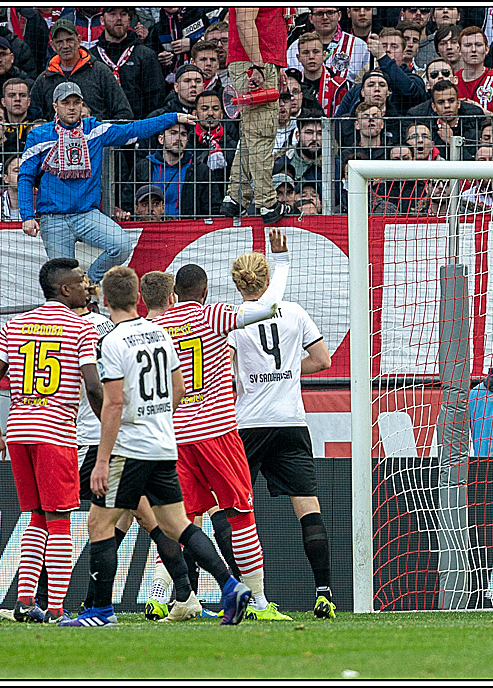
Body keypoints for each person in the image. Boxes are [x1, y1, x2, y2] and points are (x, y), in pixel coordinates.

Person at [57, 265, 251, 627]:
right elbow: (179, 388)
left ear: (107, 300)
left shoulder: (111, 341)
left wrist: (102, 461)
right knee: (177, 524)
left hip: (129, 449)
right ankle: (230, 586)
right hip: (163, 444)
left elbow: (113, 403)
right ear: (137, 297)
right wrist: (158, 419)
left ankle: (99, 611)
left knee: (99, 525)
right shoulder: (160, 334)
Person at [148, 230, 293, 622]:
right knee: (241, 512)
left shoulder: (158, 327)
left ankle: (178, 597)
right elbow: (268, 307)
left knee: (182, 521)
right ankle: (260, 603)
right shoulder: (212, 315)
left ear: (174, 292)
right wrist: (280, 263)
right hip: (217, 431)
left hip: (176, 437)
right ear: (206, 290)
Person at [0, 258, 104, 624]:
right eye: (81, 281)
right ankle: (55, 610)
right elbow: (94, 386)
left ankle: (24, 603)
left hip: (18, 431)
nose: (87, 286)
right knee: (61, 519)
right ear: (64, 289)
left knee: (35, 517)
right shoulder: (80, 328)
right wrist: (113, 428)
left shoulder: (15, 325)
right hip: (56, 433)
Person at [227, 245, 338, 618]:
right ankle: (323, 592)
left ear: (237, 283)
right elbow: (323, 360)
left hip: (248, 424)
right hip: (290, 420)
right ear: (268, 278)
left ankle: (247, 594)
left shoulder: (232, 319)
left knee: (235, 509)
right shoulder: (293, 312)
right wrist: (287, 369)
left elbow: (225, 372)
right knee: (308, 507)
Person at [18, 81, 196, 284]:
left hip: (87, 214)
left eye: (76, 102)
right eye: (66, 102)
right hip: (53, 218)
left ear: (82, 105)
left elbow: (132, 129)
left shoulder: (96, 130)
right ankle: (75, 297)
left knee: (121, 245)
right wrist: (27, 215)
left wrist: (171, 118)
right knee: (63, 282)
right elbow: (25, 176)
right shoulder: (39, 135)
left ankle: (89, 283)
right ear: (55, 106)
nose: (71, 107)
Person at [221, 7, 295, 223]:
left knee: (252, 135)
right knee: (262, 135)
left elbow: (264, 24)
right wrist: (258, 66)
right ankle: (267, 203)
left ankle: (236, 197)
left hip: (259, 62)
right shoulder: (255, 64)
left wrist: (277, 66)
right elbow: (244, 21)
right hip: (253, 63)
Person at [28, 18, 133, 122]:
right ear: (53, 46)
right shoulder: (45, 79)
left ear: (79, 40)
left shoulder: (100, 72)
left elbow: (124, 112)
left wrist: (102, 132)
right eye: (59, 42)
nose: (65, 46)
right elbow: (32, 117)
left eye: (69, 40)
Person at [92, 6, 164, 120]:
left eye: (123, 14)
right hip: (102, 129)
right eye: (113, 14)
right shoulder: (93, 57)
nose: (119, 18)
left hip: (138, 128)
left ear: (129, 19)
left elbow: (155, 98)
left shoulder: (145, 55)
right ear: (102, 20)